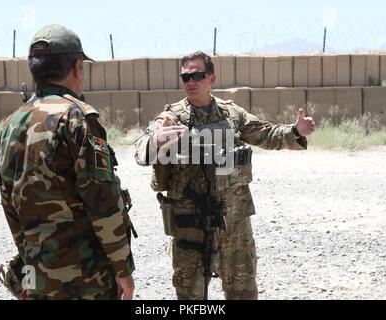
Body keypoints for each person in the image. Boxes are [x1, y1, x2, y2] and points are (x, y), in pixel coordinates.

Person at [134, 51, 315, 300]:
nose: (190, 82)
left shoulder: (232, 114)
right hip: (191, 224)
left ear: (212, 78)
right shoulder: (172, 117)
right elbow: (141, 151)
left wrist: (296, 131)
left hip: (234, 222)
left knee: (242, 292)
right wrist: (154, 141)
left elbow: (265, 133)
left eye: (197, 75)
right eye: (185, 77)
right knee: (191, 297)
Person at [0, 24, 135, 300]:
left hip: (38, 273)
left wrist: (29, 259)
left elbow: (8, 199)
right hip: (86, 278)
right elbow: (102, 200)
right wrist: (123, 269)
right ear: (76, 67)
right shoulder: (77, 118)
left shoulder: (13, 122)